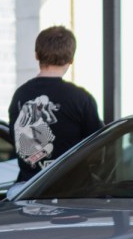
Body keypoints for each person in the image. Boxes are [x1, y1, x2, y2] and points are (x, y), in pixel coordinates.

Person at [9, 26, 103, 182]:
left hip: (29, 189)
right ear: (71, 59)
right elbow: (97, 148)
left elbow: (15, 140)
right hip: (71, 191)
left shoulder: (20, 95)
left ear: (36, 55)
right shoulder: (81, 98)